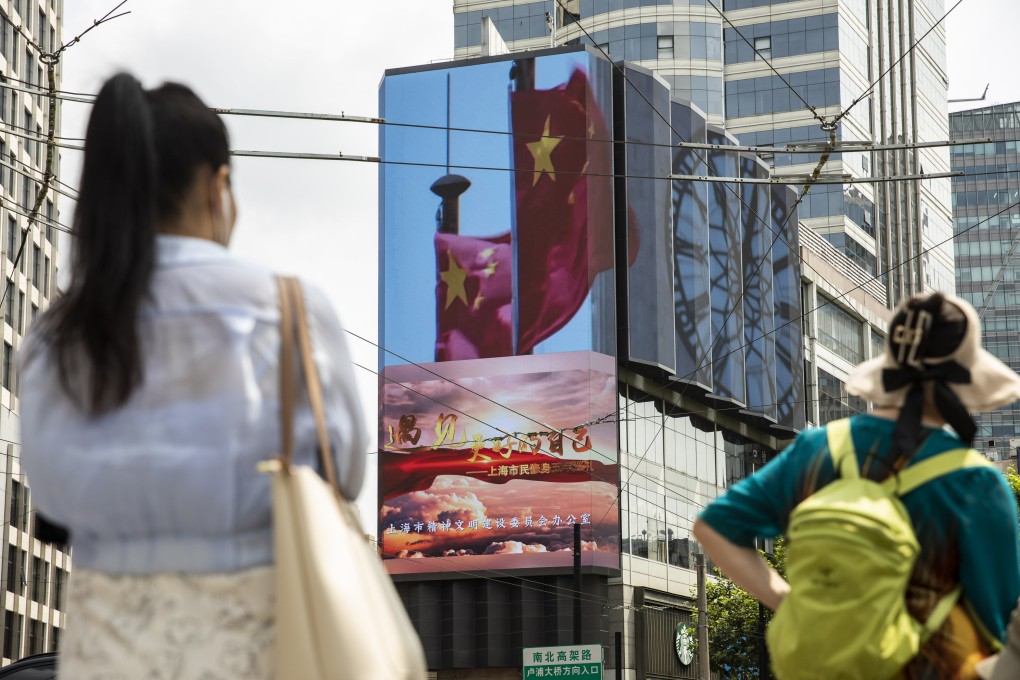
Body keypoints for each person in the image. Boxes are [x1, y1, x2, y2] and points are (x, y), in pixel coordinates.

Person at [18, 73, 367, 678]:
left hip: (107, 658)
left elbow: (50, 498)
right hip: (265, 652)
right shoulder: (292, 312)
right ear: (218, 186)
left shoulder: (59, 335)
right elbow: (347, 474)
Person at [693, 292, 1020, 679]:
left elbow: (713, 526)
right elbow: (995, 620)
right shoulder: (975, 481)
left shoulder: (818, 449)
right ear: (962, 380)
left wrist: (792, 603)